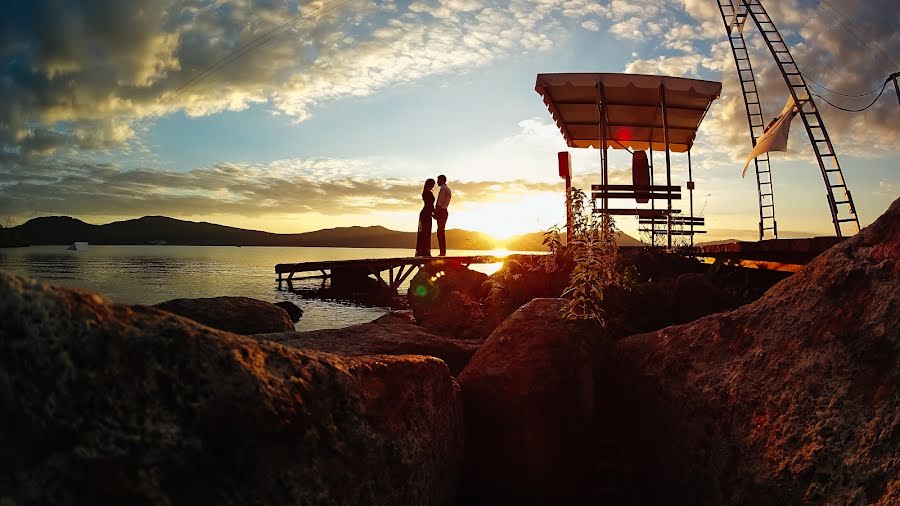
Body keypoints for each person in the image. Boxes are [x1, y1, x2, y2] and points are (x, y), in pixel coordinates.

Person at [415, 178, 436, 257]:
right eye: (433, 184)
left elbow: (431, 205)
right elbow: (429, 205)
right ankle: (423, 251)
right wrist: (433, 213)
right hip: (425, 214)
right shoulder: (427, 192)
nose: (434, 185)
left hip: (427, 213)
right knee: (424, 232)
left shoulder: (427, 192)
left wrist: (433, 213)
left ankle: (425, 251)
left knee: (427, 232)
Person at [434, 174, 451, 256]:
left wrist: (435, 213)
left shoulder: (443, 189)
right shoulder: (448, 189)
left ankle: (442, 252)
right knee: (441, 231)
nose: (437, 182)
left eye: (438, 180)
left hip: (442, 211)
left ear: (442, 180)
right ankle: (442, 252)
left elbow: (439, 203)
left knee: (440, 232)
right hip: (444, 211)